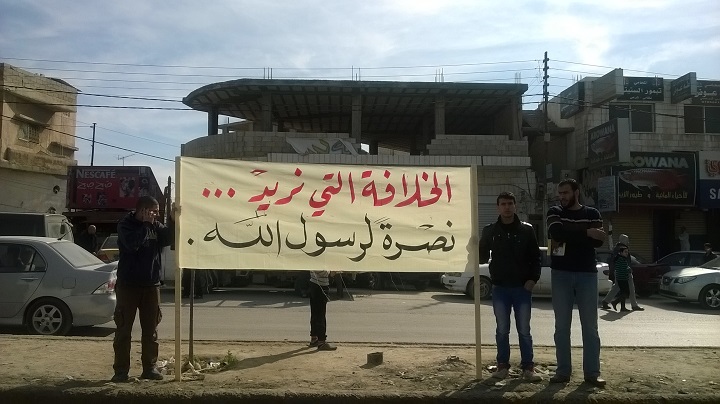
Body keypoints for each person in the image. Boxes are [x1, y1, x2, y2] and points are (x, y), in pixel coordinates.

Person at [546, 178, 606, 387]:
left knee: (590, 327)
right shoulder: (554, 212)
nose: (562, 197)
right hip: (560, 273)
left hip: (587, 274)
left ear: (576, 192)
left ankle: (592, 373)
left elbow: (598, 241)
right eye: (560, 193)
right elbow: (557, 233)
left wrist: (571, 234)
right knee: (562, 327)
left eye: (566, 192)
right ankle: (563, 372)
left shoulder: (592, 213)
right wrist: (586, 232)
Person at [479, 191, 542, 382]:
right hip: (500, 288)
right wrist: (474, 245)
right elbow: (482, 258)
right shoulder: (490, 231)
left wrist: (533, 279)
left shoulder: (526, 230)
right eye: (503, 204)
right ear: (498, 207)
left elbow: (536, 257)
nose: (507, 207)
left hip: (522, 288)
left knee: (524, 330)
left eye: (510, 203)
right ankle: (502, 366)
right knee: (502, 330)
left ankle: (528, 368)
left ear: (515, 206)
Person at [111, 196, 172, 382]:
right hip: (128, 286)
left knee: (151, 331)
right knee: (123, 331)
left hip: (151, 285)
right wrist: (145, 225)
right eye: (154, 211)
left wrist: (173, 220)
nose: (157, 215)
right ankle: (121, 371)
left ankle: (149, 368)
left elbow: (169, 238)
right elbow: (132, 245)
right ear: (143, 210)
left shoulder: (155, 225)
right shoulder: (126, 225)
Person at [600, 237, 644, 311]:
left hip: (618, 272)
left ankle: (606, 301)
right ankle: (634, 305)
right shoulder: (623, 249)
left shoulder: (616, 249)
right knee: (631, 288)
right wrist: (628, 269)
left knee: (616, 287)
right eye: (627, 240)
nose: (628, 242)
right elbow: (625, 261)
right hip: (624, 272)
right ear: (625, 241)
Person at [308, 270, 338, 351]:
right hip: (321, 285)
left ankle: (314, 338)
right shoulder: (323, 264)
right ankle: (321, 341)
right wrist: (333, 270)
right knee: (320, 314)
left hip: (313, 283)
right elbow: (329, 273)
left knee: (315, 312)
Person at [610, 244, 632, 312]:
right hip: (622, 278)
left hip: (622, 278)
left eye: (627, 252)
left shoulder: (621, 259)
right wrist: (629, 270)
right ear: (621, 252)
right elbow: (623, 269)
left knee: (623, 293)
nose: (626, 253)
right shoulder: (620, 259)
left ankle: (623, 307)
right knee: (626, 293)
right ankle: (615, 302)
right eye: (625, 252)